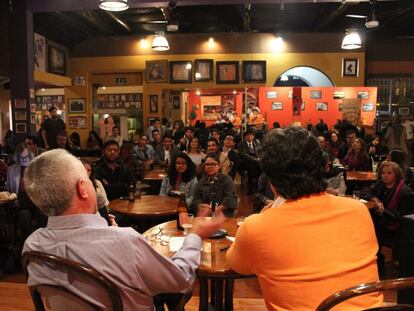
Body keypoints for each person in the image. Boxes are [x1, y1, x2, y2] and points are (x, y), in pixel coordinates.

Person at [22, 149, 225, 311]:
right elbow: (180, 279)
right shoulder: (124, 241)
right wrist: (196, 234)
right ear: (83, 189)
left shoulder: (32, 247)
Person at [226, 126, 383, 311]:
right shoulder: (358, 210)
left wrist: (268, 210)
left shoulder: (256, 227)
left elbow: (236, 264)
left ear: (270, 178)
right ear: (322, 167)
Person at [367, 161, 414, 275]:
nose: (385, 175)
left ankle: (377, 261)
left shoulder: (405, 192)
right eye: (382, 173)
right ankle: (376, 259)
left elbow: (402, 217)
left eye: (389, 173)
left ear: (396, 175)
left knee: (373, 231)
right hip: (382, 220)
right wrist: (376, 200)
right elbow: (365, 191)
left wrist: (383, 211)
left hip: (397, 226)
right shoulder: (380, 184)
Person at [6, 143, 47, 251]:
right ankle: (26, 245)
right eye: (21, 157)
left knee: (42, 214)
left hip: (36, 202)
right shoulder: (11, 169)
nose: (24, 160)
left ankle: (42, 245)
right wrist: (11, 197)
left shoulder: (36, 169)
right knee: (24, 215)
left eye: (26, 157)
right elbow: (9, 189)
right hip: (20, 204)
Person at [190, 153, 237, 217]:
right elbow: (195, 200)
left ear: (219, 166)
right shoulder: (201, 181)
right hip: (204, 215)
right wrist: (201, 205)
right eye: (207, 164)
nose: (209, 166)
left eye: (213, 164)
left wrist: (216, 210)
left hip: (223, 215)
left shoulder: (226, 179)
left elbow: (230, 198)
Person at [238, 130, 262, 194]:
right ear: (245, 137)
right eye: (247, 135)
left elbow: (260, 151)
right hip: (245, 162)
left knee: (261, 165)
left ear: (253, 136)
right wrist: (254, 159)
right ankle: (252, 188)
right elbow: (243, 154)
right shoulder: (241, 144)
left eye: (251, 135)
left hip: (256, 161)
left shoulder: (257, 142)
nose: (249, 137)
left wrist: (258, 158)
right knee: (251, 165)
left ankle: (260, 185)